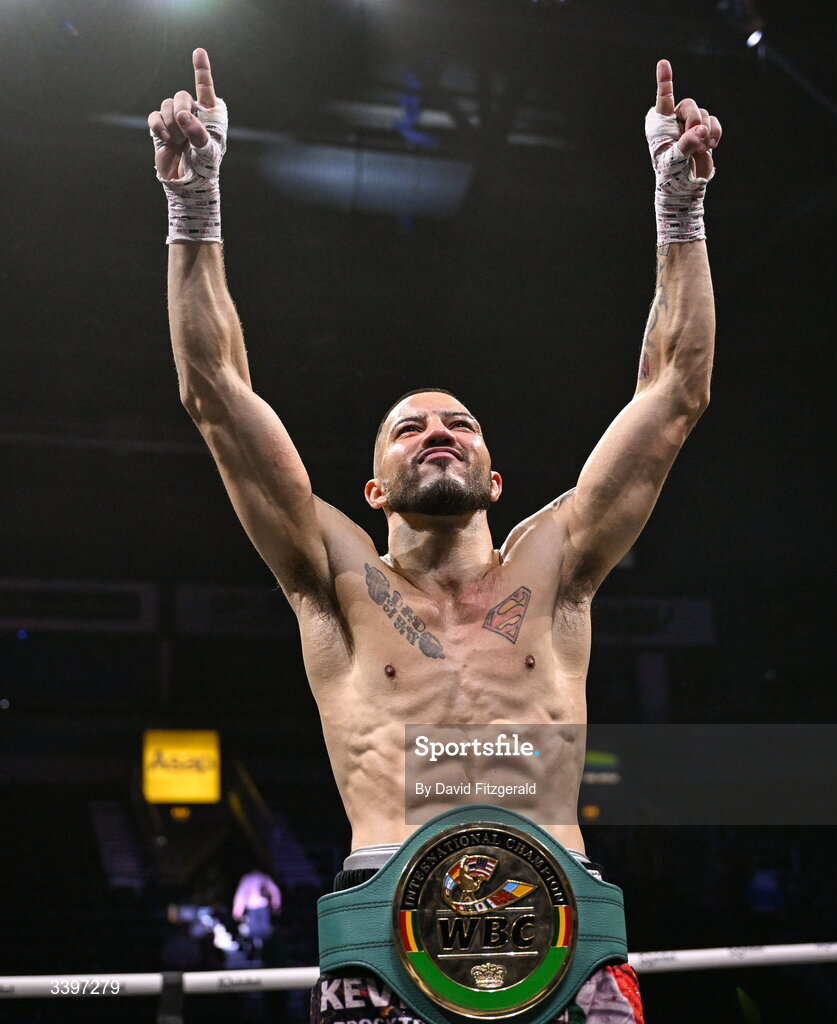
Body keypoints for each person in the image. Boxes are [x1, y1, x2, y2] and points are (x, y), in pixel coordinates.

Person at [149, 48, 720, 1024]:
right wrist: (194, 203)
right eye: (409, 427)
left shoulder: (559, 561)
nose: (437, 434)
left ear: (494, 476)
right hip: (389, 915)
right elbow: (215, 395)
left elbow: (674, 395)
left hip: (564, 915)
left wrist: (680, 210)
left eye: (457, 423)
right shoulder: (334, 574)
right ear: (374, 485)